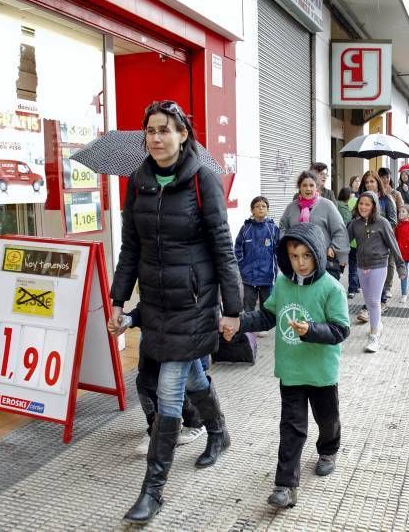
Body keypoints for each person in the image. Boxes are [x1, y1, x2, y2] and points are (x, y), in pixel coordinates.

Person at [108, 100, 242, 524]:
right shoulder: (138, 181)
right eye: (150, 130)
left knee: (169, 389)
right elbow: (132, 248)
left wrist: (233, 309)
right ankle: (219, 432)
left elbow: (223, 247)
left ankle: (153, 490)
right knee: (194, 376)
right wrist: (118, 299)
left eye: (165, 129)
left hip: (195, 304)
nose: (156, 137)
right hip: (157, 303)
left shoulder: (203, 179)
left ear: (183, 134)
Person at [223, 223, 350, 509]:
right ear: (286, 256)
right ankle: (285, 485)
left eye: (306, 255)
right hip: (291, 372)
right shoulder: (282, 284)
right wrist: (240, 322)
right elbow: (267, 316)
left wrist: (311, 331)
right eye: (294, 256)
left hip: (321, 374)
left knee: (326, 420)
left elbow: (341, 330)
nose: (300, 263)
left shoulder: (331, 288)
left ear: (317, 254)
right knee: (291, 428)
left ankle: (328, 450)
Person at [116, 306, 209, 454]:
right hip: (154, 330)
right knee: (146, 380)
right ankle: (158, 426)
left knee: (180, 382)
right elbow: (146, 303)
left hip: (184, 331)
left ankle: (194, 422)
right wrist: (128, 318)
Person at [348, 191, 406, 353]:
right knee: (368, 300)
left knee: (373, 301)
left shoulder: (383, 223)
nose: (363, 207)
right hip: (361, 265)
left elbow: (393, 244)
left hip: (379, 265)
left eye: (367, 204)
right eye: (361, 203)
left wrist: (401, 266)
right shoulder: (355, 224)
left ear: (374, 206)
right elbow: (343, 239)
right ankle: (378, 323)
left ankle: (374, 337)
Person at [280, 171, 349, 280]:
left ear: (317, 187)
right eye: (304, 185)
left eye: (311, 185)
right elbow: (283, 226)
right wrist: (286, 243)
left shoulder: (327, 205)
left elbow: (340, 230)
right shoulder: (291, 207)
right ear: (299, 188)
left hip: (323, 260)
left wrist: (334, 247)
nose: (308, 189)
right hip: (299, 262)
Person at [356, 171, 397, 321]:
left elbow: (393, 221)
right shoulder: (361, 200)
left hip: (383, 241)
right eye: (366, 182)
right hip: (365, 245)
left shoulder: (387, 199)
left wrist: (378, 226)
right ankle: (371, 306)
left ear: (378, 183)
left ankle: (380, 301)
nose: (369, 185)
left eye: (372, 181)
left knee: (385, 269)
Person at [235, 195, 280, 321]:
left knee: (267, 303)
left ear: (268, 210)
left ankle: (264, 324)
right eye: (257, 206)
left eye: (264, 206)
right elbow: (238, 247)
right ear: (252, 210)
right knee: (248, 303)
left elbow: (279, 249)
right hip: (249, 276)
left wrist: (277, 267)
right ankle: (248, 326)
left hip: (267, 275)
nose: (260, 208)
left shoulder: (272, 229)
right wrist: (241, 265)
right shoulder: (245, 228)